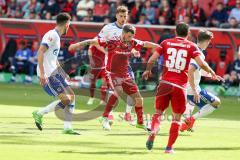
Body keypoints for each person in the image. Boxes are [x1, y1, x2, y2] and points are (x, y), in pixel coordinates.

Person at [142, 22, 221, 153]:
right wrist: (212, 72)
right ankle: (169, 148)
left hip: (165, 83)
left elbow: (152, 59)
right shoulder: (191, 46)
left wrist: (147, 70)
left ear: (175, 32)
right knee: (177, 118)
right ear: (188, 33)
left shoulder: (166, 43)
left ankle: (153, 132)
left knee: (158, 113)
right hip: (179, 86)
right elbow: (201, 64)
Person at [69, 24, 159, 131]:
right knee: (118, 91)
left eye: (132, 36)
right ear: (123, 34)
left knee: (139, 99)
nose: (131, 38)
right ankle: (104, 117)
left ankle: (140, 123)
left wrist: (159, 46)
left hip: (125, 74)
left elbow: (145, 44)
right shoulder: (112, 42)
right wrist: (78, 44)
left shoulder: (132, 42)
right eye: (129, 36)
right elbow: (94, 41)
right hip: (112, 73)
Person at [32, 12, 79, 135]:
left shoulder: (57, 37)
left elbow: (53, 58)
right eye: (69, 24)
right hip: (48, 74)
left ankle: (67, 128)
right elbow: (41, 52)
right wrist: (42, 74)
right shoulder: (52, 35)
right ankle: (39, 113)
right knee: (66, 100)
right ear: (67, 24)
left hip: (55, 73)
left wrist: (63, 73)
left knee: (72, 97)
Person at [181, 29, 222, 132]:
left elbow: (195, 69)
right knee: (216, 102)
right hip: (192, 89)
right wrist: (195, 90)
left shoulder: (192, 49)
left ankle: (187, 120)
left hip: (186, 86)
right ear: (206, 41)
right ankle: (190, 120)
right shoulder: (198, 53)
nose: (208, 44)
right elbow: (191, 71)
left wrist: (211, 75)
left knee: (198, 105)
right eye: (209, 42)